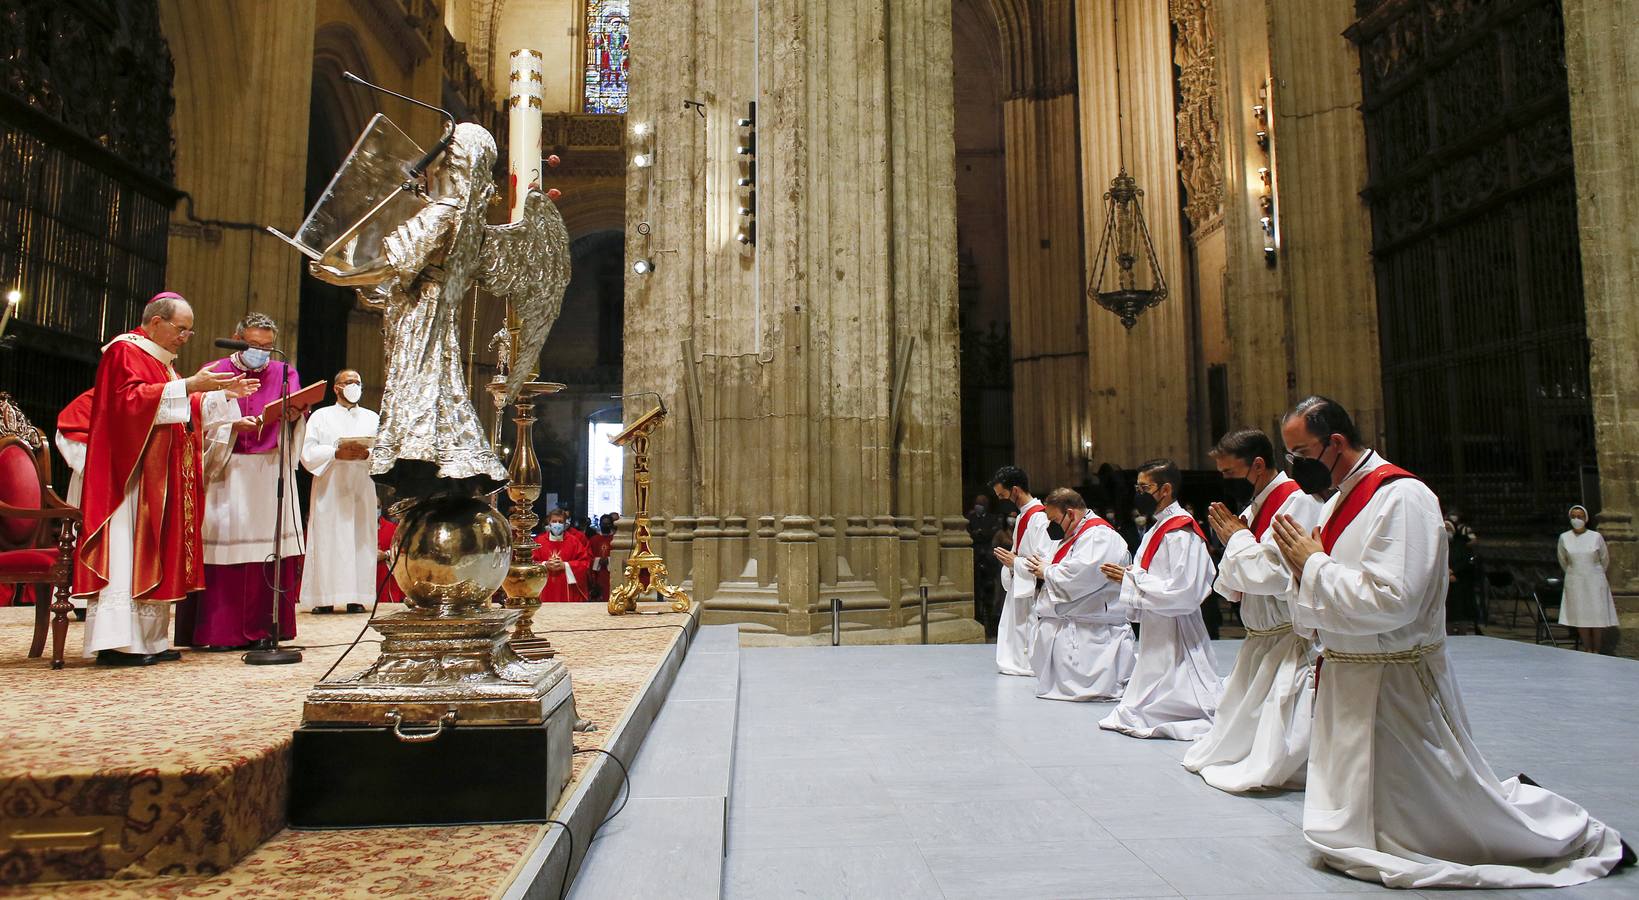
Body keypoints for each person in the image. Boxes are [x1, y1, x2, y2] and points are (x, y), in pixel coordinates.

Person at [1270, 395, 1628, 888]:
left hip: (1394, 677)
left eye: (1301, 453)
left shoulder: (1401, 497)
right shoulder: (1338, 501)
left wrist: (1311, 565)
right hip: (1351, 672)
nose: (1295, 467)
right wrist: (1302, 571)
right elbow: (1324, 588)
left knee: (1436, 814)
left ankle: (1558, 832)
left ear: (1335, 442)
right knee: (1371, 809)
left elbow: (1394, 600)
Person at [72, 292, 256, 665]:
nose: (185, 338)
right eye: (181, 329)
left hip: (158, 474)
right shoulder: (124, 351)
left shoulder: (162, 363)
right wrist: (190, 386)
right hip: (130, 477)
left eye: (189, 331)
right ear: (156, 322)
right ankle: (117, 643)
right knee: (129, 551)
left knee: (154, 549)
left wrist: (219, 394)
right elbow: (128, 404)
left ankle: (149, 641)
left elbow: (177, 408)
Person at [1184, 429, 1323, 792]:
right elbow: (1234, 572)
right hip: (1260, 636)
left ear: (1257, 465)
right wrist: (1239, 547)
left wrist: (1237, 541)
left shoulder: (1297, 503)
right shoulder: (1255, 507)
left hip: (1285, 635)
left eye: (1229, 472)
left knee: (1273, 741)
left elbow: (1276, 574)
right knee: (1235, 732)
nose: (1224, 481)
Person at [176, 313, 306, 652]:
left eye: (266, 346)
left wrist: (293, 416)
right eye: (253, 345)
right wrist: (233, 424)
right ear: (238, 338)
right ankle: (219, 630)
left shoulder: (283, 371)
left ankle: (264, 627)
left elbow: (294, 411)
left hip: (268, 468)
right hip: (228, 467)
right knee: (225, 548)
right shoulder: (216, 370)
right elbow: (194, 416)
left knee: (267, 550)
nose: (260, 352)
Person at [1099, 459, 1222, 740]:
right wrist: (1132, 574)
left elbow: (1185, 591)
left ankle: (1177, 707)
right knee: (1151, 682)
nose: (1138, 493)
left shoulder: (1181, 532)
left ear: (1165, 489)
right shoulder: (1159, 527)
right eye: (1137, 487)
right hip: (1159, 618)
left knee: (1181, 685)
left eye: (1144, 487)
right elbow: (1155, 573)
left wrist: (1130, 579)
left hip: (1177, 621)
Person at [1025, 488, 1134, 701]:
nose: (1051, 527)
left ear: (1071, 513)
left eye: (1054, 520)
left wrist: (1046, 570)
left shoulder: (1099, 535)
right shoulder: (1076, 533)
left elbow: (1083, 574)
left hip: (1094, 627)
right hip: (1075, 623)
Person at [298, 369, 380, 614]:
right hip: (330, 485)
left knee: (360, 539)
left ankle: (358, 596)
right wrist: (335, 453)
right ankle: (323, 597)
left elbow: (385, 450)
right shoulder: (321, 416)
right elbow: (307, 451)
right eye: (348, 382)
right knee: (328, 538)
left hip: (361, 484)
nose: (354, 386)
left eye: (357, 382)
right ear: (336, 388)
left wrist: (368, 454)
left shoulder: (372, 417)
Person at [989, 465, 1050, 677]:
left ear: (1015, 490)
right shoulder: (1023, 516)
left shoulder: (1040, 517)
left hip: (1032, 587)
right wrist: (1011, 563)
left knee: (1028, 627)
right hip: (1020, 581)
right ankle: (1018, 662)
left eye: (1003, 495)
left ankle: (1029, 663)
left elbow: (1045, 560)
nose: (1001, 500)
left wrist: (1015, 562)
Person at [1558, 505, 1618, 654]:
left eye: (1579, 516)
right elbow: (1563, 560)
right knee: (1581, 615)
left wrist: (1594, 573)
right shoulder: (1564, 537)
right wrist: (1576, 573)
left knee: (1596, 614)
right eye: (1573, 516)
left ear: (1586, 518)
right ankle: (1587, 648)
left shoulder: (1595, 536)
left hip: (1595, 579)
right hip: (1575, 580)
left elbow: (1604, 559)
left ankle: (1597, 649)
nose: (1576, 520)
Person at [535, 507, 591, 602]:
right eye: (554, 521)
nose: (557, 524)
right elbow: (530, 562)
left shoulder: (574, 542)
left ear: (565, 524)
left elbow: (585, 563)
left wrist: (565, 565)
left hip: (567, 587)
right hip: (544, 586)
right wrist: (544, 565)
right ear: (549, 522)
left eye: (560, 522)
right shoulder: (538, 542)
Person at [588, 513, 616, 602]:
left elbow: (619, 557)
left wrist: (608, 560)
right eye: (603, 524)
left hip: (611, 574)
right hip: (597, 574)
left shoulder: (615, 539)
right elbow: (588, 556)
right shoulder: (593, 540)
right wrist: (598, 560)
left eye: (608, 524)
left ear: (612, 525)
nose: (606, 526)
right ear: (599, 524)